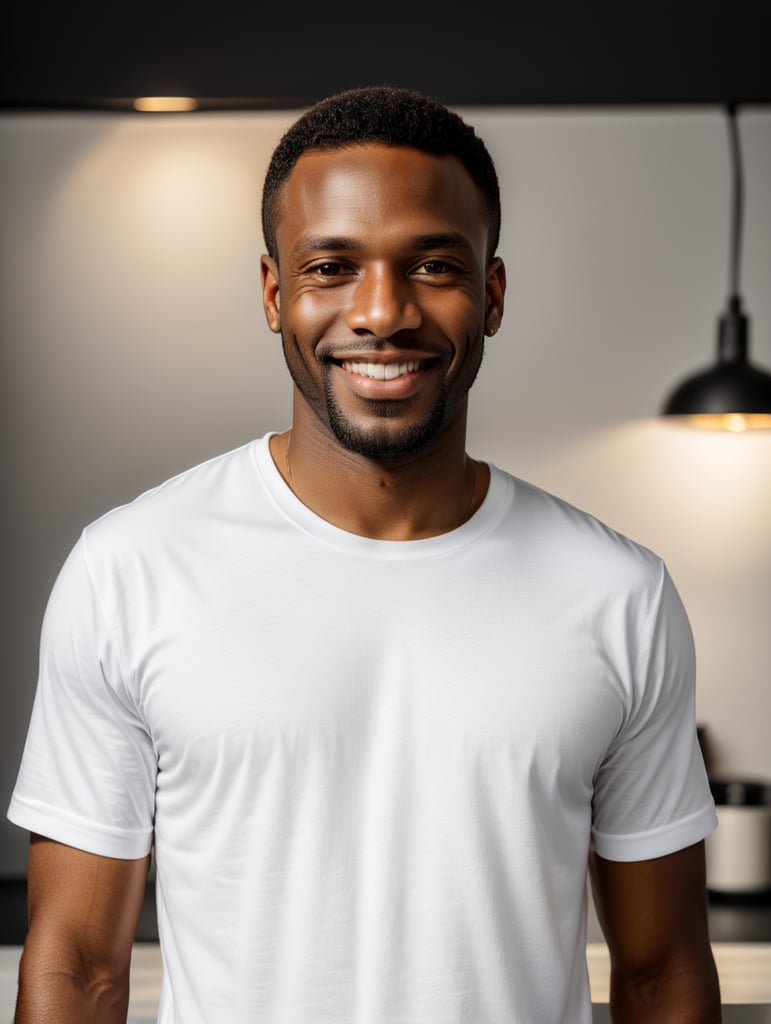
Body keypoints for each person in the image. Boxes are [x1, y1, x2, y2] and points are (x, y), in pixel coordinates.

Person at [7, 85, 721, 1023]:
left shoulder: (617, 594)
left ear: (491, 294)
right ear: (274, 294)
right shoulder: (130, 571)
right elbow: (76, 969)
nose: (382, 312)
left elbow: (661, 972)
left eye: (431, 265)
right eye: (331, 267)